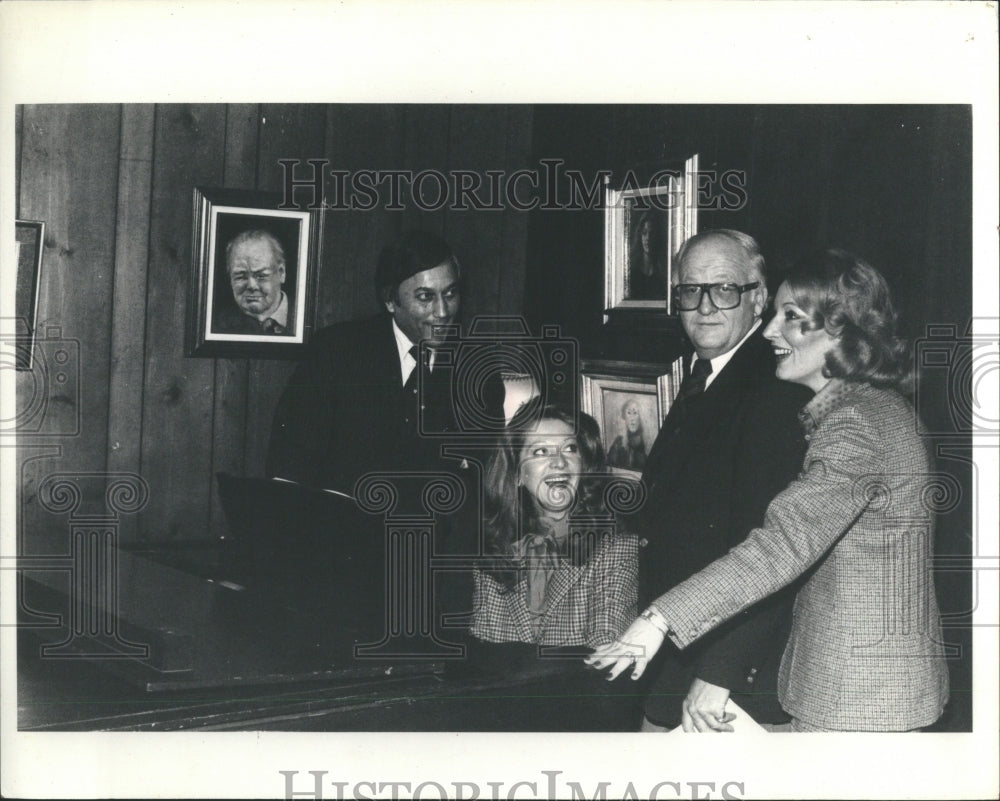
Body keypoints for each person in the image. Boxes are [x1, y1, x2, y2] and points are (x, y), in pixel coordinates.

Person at [589, 248, 950, 733]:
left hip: (859, 702)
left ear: (842, 330)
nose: (769, 331)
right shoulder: (877, 408)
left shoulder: (857, 426)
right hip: (861, 689)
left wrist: (659, 620)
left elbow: (781, 544)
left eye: (791, 318)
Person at [627, 229, 812, 732]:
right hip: (679, 650)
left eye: (724, 289)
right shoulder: (705, 371)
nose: (705, 305)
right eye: (691, 290)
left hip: (724, 676)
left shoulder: (774, 387)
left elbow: (774, 550)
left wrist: (721, 671)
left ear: (758, 299)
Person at [266, 229, 505, 494]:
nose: (442, 311)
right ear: (391, 301)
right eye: (425, 297)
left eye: (450, 294)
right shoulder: (337, 352)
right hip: (343, 524)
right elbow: (290, 460)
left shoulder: (478, 367)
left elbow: (485, 474)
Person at [467, 400, 641, 729]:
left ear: (584, 465)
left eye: (570, 448)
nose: (559, 462)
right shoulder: (494, 552)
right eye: (540, 452)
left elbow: (604, 669)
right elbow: (480, 664)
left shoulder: (616, 549)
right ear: (517, 474)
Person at [214, 229, 295, 335]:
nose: (252, 286)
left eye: (261, 276)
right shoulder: (216, 326)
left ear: (281, 273)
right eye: (241, 277)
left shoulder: (305, 318)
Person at [627, 210, 668, 300]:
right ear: (640, 236)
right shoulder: (631, 271)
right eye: (644, 233)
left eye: (652, 233)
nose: (648, 238)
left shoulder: (664, 271)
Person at [606, 398, 648, 471]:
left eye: (635, 413)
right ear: (624, 417)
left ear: (640, 417)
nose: (632, 418)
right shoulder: (618, 441)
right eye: (629, 413)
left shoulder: (644, 440)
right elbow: (610, 466)